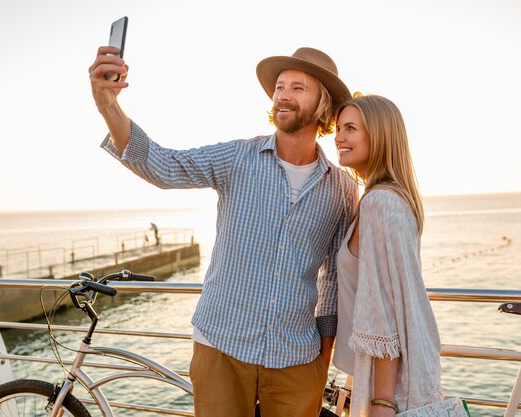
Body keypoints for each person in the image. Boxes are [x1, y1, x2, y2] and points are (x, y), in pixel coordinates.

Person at [89, 46, 357, 417]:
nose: (283, 95)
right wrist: (109, 107)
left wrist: (321, 363)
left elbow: (333, 282)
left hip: (297, 358)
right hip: (222, 347)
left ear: (322, 105)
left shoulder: (342, 188)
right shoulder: (237, 158)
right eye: (280, 86)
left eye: (298, 88)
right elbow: (164, 166)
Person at [332, 94, 444, 416]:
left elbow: (383, 312)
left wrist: (382, 401)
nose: (338, 137)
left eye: (350, 128)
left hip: (386, 387)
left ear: (379, 136)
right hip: (393, 375)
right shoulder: (391, 198)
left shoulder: (379, 204)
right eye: (339, 128)